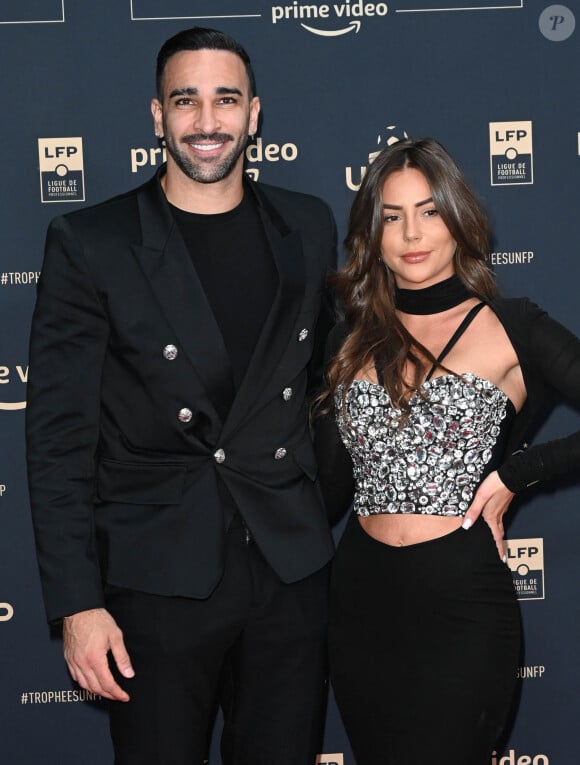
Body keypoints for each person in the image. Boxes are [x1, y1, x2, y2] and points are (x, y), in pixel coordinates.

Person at [26, 26, 337, 765]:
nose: (207, 122)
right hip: (157, 576)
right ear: (157, 116)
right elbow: (59, 437)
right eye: (186, 101)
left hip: (290, 572)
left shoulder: (310, 226)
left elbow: (332, 389)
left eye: (225, 100)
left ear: (254, 114)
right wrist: (78, 603)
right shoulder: (91, 241)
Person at [314, 137, 580, 765]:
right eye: (393, 215)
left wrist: (519, 472)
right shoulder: (347, 340)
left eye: (429, 211)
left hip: (462, 604)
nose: (412, 233)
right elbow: (324, 489)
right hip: (360, 601)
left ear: (459, 221)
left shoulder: (514, 325)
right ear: (371, 233)